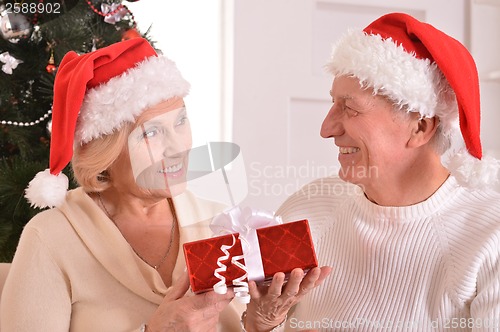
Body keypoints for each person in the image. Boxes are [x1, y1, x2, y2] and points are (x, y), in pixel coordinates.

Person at [0, 38, 329, 331]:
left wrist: (261, 323)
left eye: (181, 121)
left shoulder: (221, 224)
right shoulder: (51, 238)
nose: (178, 147)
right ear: (105, 153)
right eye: (152, 133)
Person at [276, 12, 500, 331]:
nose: (326, 129)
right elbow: (244, 320)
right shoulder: (306, 210)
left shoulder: (491, 236)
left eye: (350, 108)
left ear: (420, 127)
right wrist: (261, 321)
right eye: (332, 104)